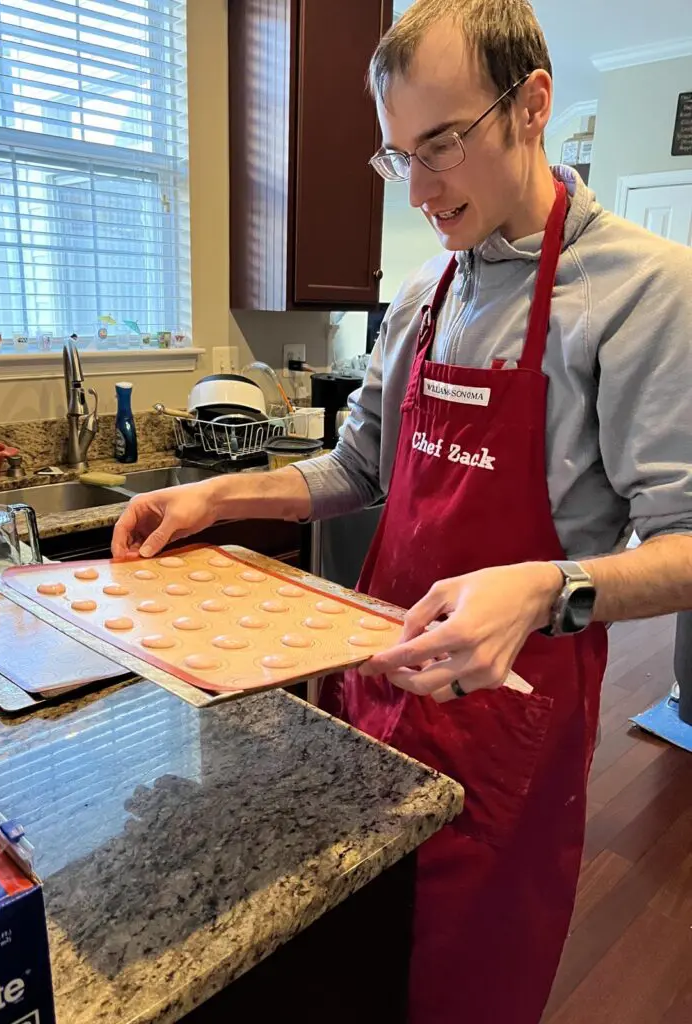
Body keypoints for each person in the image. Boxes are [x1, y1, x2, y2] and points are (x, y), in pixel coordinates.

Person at [113, 1, 692, 1020]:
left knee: (466, 986)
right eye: (397, 158)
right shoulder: (427, 293)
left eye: (442, 146)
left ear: (533, 107)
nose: (419, 190)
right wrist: (210, 496)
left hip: (507, 717)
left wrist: (552, 586)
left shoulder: (646, 292)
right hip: (373, 692)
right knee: (357, 966)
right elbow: (355, 469)